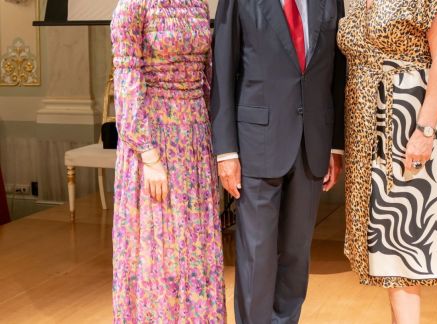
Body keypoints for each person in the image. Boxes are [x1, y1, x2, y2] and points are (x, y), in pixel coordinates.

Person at [337, 0, 437, 323]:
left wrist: (425, 130)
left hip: (407, 121)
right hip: (366, 127)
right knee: (384, 247)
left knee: (403, 241)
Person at [211, 0, 346, 322]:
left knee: (296, 254)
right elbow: (223, 69)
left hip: (312, 142)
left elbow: (338, 71)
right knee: (256, 256)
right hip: (256, 144)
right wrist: (226, 150)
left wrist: (335, 146)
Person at [111, 0, 225, 322]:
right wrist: (148, 155)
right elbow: (127, 80)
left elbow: (207, 77)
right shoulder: (133, 6)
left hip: (195, 139)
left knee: (196, 249)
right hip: (154, 140)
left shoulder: (197, 6)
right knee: (160, 250)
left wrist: (213, 139)